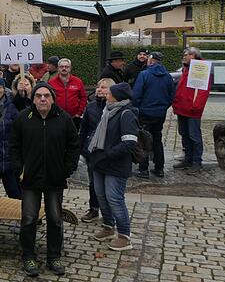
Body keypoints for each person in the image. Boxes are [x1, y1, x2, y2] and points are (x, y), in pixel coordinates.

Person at [10, 82, 80, 277]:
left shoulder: (63, 119)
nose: (42, 99)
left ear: (52, 99)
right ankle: (29, 256)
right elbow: (14, 145)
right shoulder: (23, 118)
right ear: (33, 99)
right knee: (29, 219)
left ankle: (53, 256)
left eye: (46, 96)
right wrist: (19, 168)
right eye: (39, 95)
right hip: (30, 179)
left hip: (54, 179)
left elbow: (74, 145)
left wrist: (67, 169)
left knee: (55, 219)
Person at [88, 83, 139, 252]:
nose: (106, 94)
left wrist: (107, 154)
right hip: (99, 163)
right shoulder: (107, 110)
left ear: (117, 96)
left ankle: (124, 236)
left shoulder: (126, 114)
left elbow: (130, 142)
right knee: (101, 196)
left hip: (115, 165)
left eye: (109, 92)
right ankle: (108, 226)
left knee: (114, 199)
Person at [132, 52, 175, 178]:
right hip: (160, 114)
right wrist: (163, 107)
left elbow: (136, 95)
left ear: (151, 61)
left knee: (143, 140)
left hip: (144, 113)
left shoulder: (144, 74)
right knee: (157, 139)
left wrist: (138, 109)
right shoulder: (167, 76)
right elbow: (171, 96)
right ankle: (159, 168)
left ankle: (143, 169)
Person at [78, 78, 114, 223]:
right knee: (94, 183)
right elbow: (84, 129)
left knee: (109, 186)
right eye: (99, 86)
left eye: (104, 87)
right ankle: (94, 208)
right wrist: (80, 148)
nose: (99, 89)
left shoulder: (115, 107)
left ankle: (109, 214)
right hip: (92, 151)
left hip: (110, 152)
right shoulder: (91, 107)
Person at [171, 47, 211, 174]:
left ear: (193, 55)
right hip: (183, 108)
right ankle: (187, 159)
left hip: (192, 110)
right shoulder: (186, 68)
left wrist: (196, 107)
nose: (184, 56)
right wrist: (176, 105)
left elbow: (202, 92)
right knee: (184, 134)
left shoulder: (201, 69)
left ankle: (196, 162)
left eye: (186, 54)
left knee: (194, 135)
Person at [47, 58, 87, 130]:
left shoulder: (78, 81)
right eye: (61, 67)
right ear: (58, 68)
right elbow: (49, 98)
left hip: (74, 117)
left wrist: (79, 113)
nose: (64, 68)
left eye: (66, 67)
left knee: (74, 139)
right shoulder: (51, 82)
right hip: (57, 117)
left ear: (70, 68)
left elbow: (83, 97)